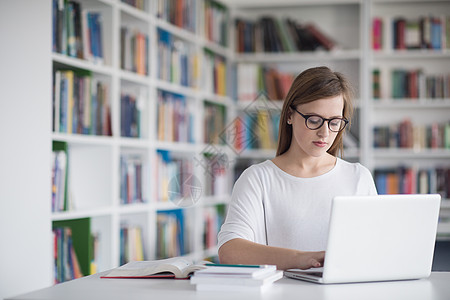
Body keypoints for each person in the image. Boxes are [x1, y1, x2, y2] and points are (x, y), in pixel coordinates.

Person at [218, 66, 378, 270]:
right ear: (290, 115)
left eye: (335, 122)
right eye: (313, 120)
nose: (324, 133)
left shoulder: (358, 177)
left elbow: (373, 248)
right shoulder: (258, 179)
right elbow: (230, 251)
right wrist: (304, 259)